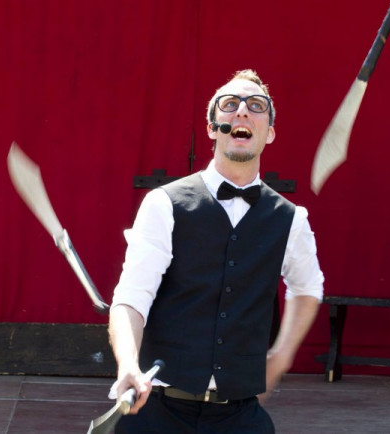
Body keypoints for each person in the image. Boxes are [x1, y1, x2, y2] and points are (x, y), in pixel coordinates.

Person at [107, 69, 324, 433]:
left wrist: (281, 355)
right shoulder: (164, 204)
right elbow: (132, 296)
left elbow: (308, 287)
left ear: (270, 132)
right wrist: (128, 362)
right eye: (230, 103)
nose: (242, 111)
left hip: (240, 415)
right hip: (157, 410)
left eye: (256, 106)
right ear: (212, 128)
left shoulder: (291, 219)